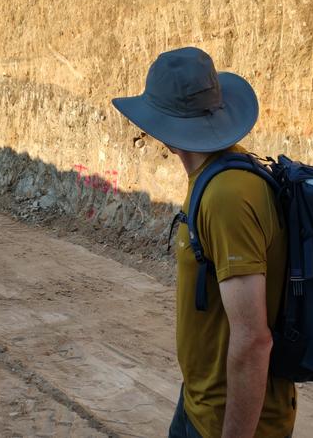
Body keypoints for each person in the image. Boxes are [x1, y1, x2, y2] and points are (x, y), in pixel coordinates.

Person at [112, 47, 296, 437]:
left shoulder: (226, 196)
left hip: (227, 422)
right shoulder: (226, 170)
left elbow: (253, 340)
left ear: (163, 128)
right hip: (201, 403)